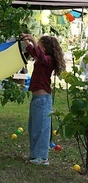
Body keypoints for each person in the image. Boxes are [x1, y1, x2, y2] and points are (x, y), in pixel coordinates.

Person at [21, 34, 66, 165]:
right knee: (34, 128)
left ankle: (42, 157)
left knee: (42, 128)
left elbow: (40, 55)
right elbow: (34, 52)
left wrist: (34, 41)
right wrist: (28, 42)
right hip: (37, 99)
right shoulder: (41, 59)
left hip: (43, 100)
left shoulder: (49, 60)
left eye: (39, 46)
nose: (37, 48)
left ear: (45, 49)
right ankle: (35, 155)